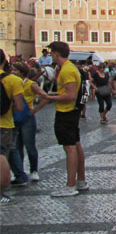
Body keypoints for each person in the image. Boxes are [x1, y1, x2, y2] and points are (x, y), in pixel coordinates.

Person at [44, 41, 88, 197]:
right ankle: (81, 181)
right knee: (75, 145)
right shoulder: (69, 68)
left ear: (56, 53)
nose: (50, 56)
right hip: (72, 112)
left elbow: (70, 95)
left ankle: (70, 186)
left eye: (51, 53)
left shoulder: (67, 70)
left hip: (66, 112)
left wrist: (49, 97)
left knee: (69, 148)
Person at [12, 62, 48, 182]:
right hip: (15, 117)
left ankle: (33, 170)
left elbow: (45, 96)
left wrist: (35, 110)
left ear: (22, 73)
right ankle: (19, 171)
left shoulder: (31, 84)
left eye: (15, 71)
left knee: (30, 146)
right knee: (17, 147)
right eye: (12, 70)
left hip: (27, 117)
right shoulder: (12, 83)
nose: (12, 72)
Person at [1, 49, 26, 194]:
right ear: (5, 61)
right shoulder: (14, 80)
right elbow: (19, 106)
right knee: (3, 155)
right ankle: (3, 191)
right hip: (5, 124)